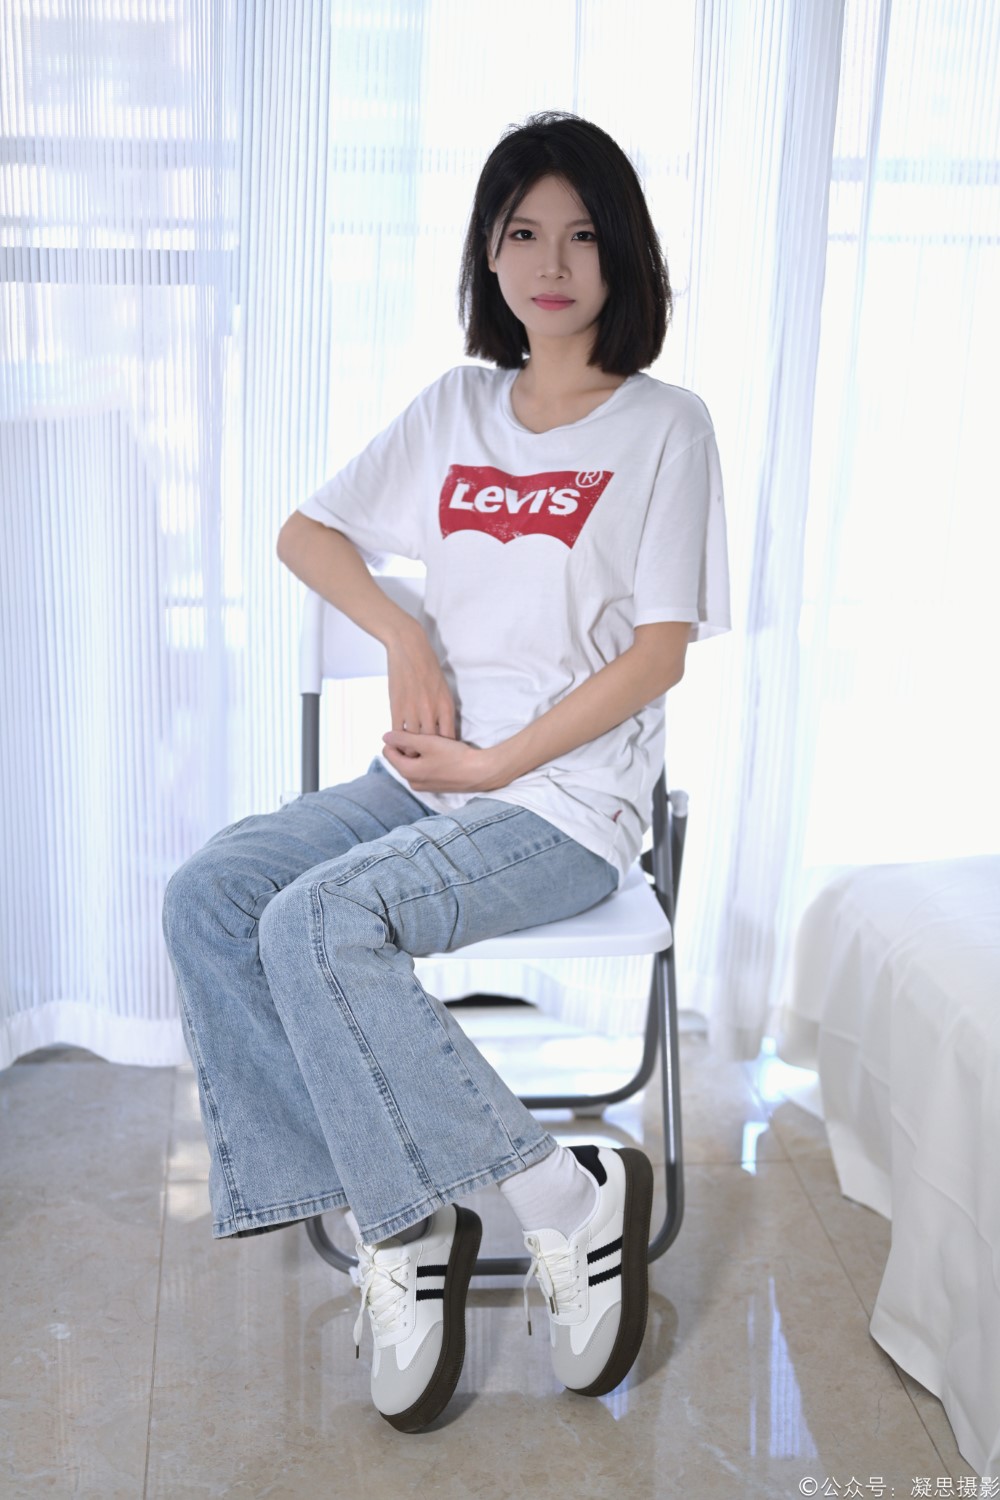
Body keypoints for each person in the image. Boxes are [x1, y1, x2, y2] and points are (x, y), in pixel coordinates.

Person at [161, 109, 731, 1435]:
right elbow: (307, 534)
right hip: (428, 786)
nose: (553, 264)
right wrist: (404, 633)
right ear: (488, 252)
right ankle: (408, 1214)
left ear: (623, 254)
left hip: (566, 805)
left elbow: (659, 656)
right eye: (524, 233)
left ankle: (554, 1207)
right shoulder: (456, 407)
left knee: (319, 921)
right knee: (212, 897)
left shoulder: (665, 427)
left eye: (582, 235)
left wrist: (495, 760)